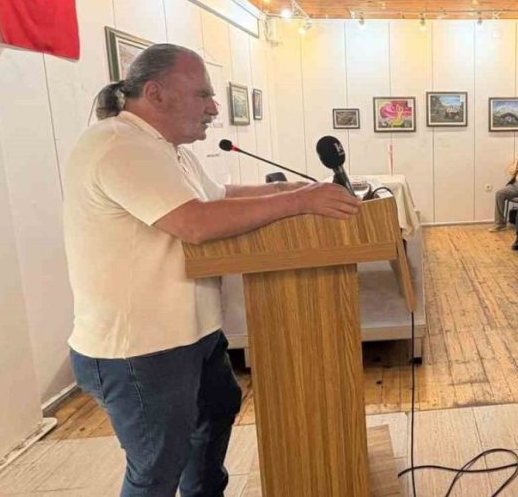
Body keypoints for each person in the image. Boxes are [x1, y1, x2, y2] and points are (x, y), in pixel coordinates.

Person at [65, 45, 361, 496]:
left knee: (217, 412)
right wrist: (300, 202)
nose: (214, 108)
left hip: (191, 333)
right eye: (203, 94)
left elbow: (218, 196)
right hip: (139, 348)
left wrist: (300, 187)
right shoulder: (118, 145)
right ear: (156, 93)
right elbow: (195, 223)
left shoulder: (167, 148)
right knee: (156, 470)